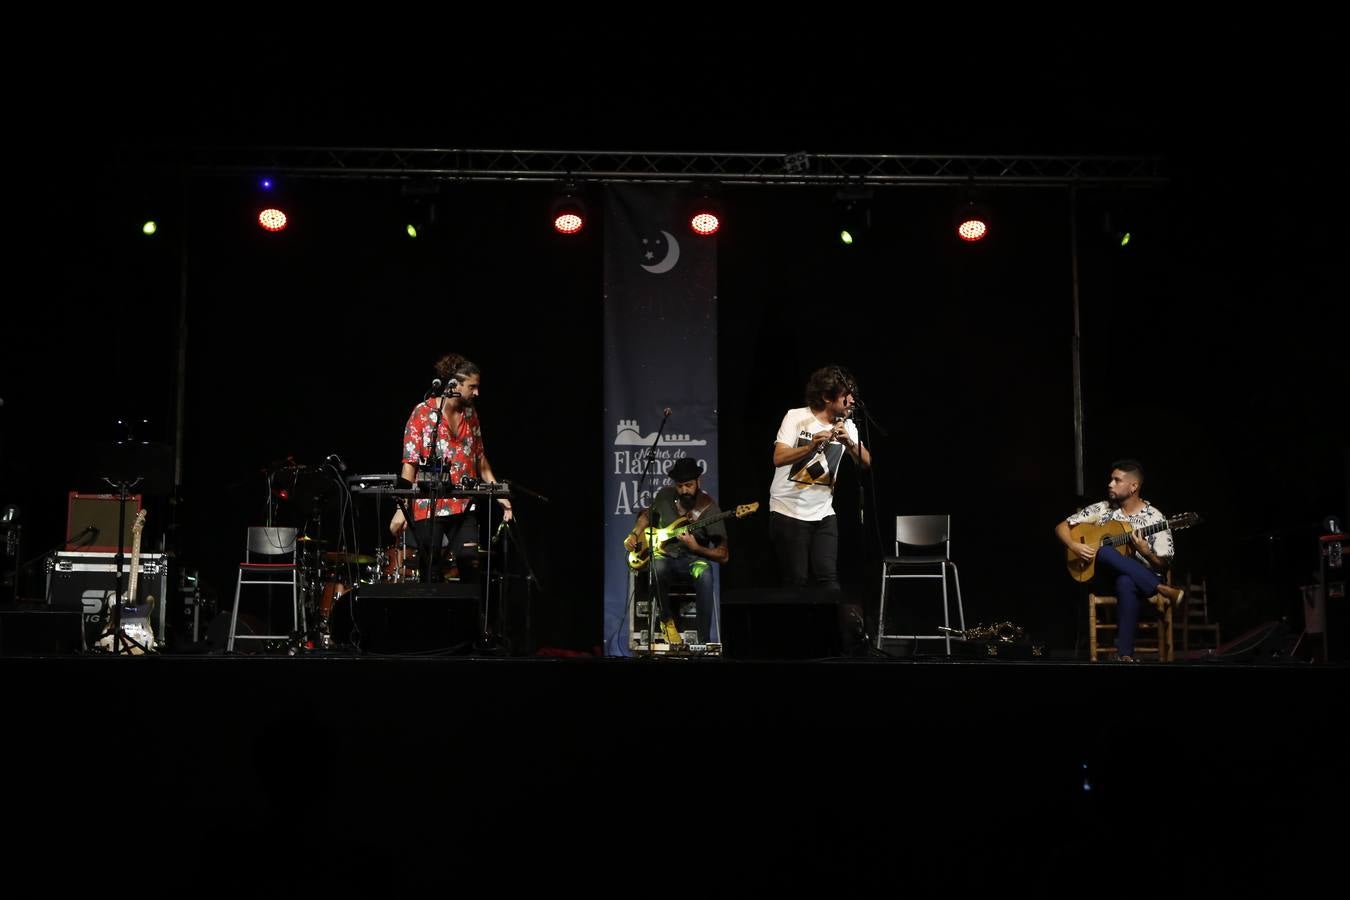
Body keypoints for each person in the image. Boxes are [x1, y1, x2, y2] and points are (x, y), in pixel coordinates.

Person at [768, 365, 872, 650]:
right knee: (797, 581)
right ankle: (795, 646)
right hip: (788, 510)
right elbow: (778, 458)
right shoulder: (797, 418)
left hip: (823, 513)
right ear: (827, 397)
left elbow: (866, 463)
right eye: (845, 395)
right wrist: (811, 446)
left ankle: (836, 646)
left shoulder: (846, 424)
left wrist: (849, 441)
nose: (851, 400)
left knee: (829, 579)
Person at [390, 353, 512, 583]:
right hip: (429, 504)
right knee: (431, 570)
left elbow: (480, 460)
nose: (477, 393)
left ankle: (472, 616)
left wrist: (500, 493)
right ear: (454, 385)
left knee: (470, 564)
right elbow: (410, 464)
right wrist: (401, 506)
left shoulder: (470, 414)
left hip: (464, 504)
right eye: (472, 387)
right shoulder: (423, 413)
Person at [1055, 459, 1183, 661]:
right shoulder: (1103, 509)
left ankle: (1124, 656)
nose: (1110, 484)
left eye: (1117, 480)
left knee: (1125, 580)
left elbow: (1164, 564)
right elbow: (1061, 527)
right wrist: (1074, 546)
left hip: (1141, 582)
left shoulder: (1155, 518)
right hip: (1106, 581)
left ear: (1134, 487)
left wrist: (1146, 552)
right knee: (1105, 553)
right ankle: (1163, 589)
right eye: (1111, 479)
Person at [623, 456, 728, 646]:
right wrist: (633, 534)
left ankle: (702, 643)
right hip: (665, 556)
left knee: (704, 573)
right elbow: (646, 516)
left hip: (693, 560)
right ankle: (666, 621)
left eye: (688, 485)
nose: (684, 490)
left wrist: (696, 547)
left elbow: (723, 555)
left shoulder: (709, 507)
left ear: (698, 482)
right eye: (680, 486)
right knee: (658, 566)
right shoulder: (664, 495)